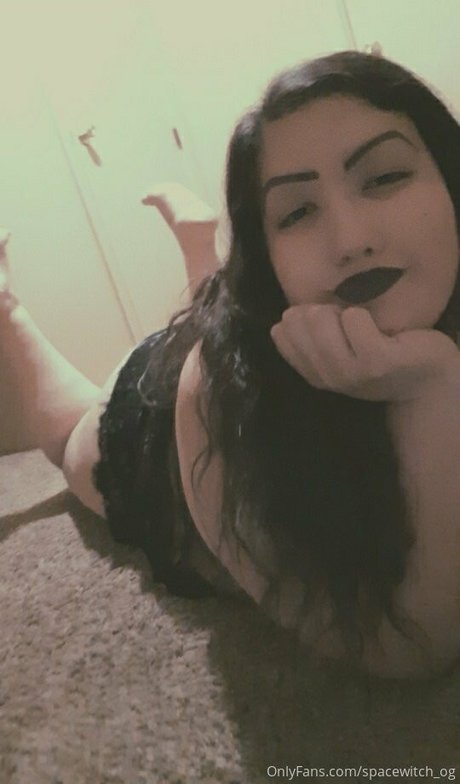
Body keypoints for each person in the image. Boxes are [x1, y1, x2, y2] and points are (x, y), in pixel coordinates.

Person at [2, 49, 460, 680]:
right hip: (155, 430)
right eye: (297, 211)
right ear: (266, 259)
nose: (352, 239)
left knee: (211, 312)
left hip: (223, 327)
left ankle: (199, 253)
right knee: (70, 441)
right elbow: (405, 649)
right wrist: (433, 385)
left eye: (383, 178)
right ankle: (8, 308)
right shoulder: (219, 393)